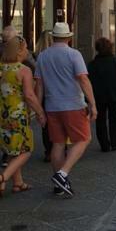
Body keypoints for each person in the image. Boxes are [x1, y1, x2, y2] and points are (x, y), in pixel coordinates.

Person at [35, 22, 97, 196]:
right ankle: (62, 174)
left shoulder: (43, 56)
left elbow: (39, 85)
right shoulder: (73, 54)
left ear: (53, 37)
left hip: (52, 106)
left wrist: (39, 110)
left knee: (58, 144)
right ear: (69, 38)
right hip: (73, 105)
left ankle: (58, 184)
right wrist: (93, 104)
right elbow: (83, 80)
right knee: (84, 139)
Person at [0, 36, 46, 194]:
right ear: (20, 50)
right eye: (26, 47)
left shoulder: (2, 68)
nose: (27, 50)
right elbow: (29, 95)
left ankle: (18, 183)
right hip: (18, 115)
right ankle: (3, 177)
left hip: (2, 115)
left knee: (13, 148)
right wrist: (40, 112)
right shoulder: (23, 70)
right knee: (26, 150)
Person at [88, 38, 116, 152]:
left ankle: (104, 145)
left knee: (100, 120)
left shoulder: (93, 64)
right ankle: (114, 143)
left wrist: (88, 99)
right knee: (113, 119)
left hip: (98, 97)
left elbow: (88, 82)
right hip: (115, 96)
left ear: (97, 49)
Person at [34, 30, 53, 161]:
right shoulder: (56, 56)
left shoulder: (37, 56)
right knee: (58, 122)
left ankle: (48, 151)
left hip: (42, 93)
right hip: (56, 93)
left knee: (45, 123)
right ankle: (59, 148)